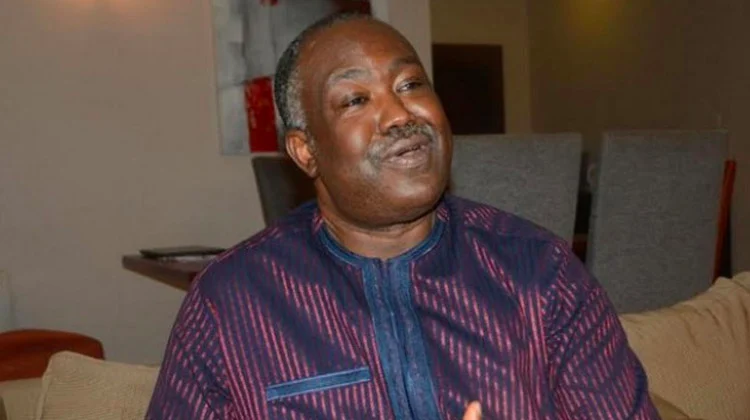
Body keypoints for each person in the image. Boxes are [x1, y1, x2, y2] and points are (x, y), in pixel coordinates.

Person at [147, 13, 659, 420]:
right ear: (305, 151)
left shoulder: (541, 272)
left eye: (411, 84)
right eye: (356, 99)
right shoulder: (231, 303)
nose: (399, 114)